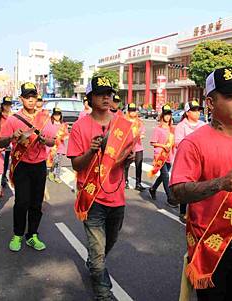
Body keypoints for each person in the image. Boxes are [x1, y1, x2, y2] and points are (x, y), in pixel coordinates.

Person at [170, 67, 232, 300]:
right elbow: (176, 192)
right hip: (209, 241)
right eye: (230, 96)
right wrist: (221, 183)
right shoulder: (194, 143)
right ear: (211, 103)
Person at [67, 76, 134, 301]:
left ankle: (96, 264)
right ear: (90, 98)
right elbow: (76, 164)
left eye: (109, 93)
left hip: (117, 197)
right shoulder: (80, 126)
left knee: (109, 242)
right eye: (100, 93)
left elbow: (126, 158)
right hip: (92, 197)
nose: (106, 97)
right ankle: (103, 292)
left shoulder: (122, 124)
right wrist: (91, 151)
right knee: (97, 254)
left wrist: (127, 159)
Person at [0, 82, 55, 252]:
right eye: (27, 97)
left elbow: (52, 141)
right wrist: (11, 137)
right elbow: (1, 142)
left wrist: (44, 140)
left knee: (36, 203)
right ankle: (17, 235)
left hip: (39, 165)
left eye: (33, 97)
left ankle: (32, 235)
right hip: (21, 165)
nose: (31, 100)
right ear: (21, 99)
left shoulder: (45, 118)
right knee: (22, 202)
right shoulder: (13, 120)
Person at [174, 100, 206, 222]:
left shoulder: (203, 125)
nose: (197, 113)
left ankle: (197, 211)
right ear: (187, 112)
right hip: (186, 161)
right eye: (194, 110)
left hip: (201, 161)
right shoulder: (181, 126)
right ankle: (183, 211)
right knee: (186, 186)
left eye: (198, 110)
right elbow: (178, 143)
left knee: (199, 186)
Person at [148, 104, 175, 207]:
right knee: (166, 176)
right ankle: (170, 198)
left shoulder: (172, 129)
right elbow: (152, 142)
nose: (167, 116)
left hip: (169, 155)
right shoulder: (158, 129)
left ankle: (153, 188)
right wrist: (163, 146)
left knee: (164, 175)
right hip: (160, 155)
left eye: (169, 114)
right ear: (162, 115)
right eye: (166, 114)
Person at [124, 102, 146, 191]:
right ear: (128, 112)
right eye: (131, 111)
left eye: (134, 111)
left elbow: (143, 132)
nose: (133, 113)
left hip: (138, 147)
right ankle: (125, 181)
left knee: (139, 165)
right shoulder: (125, 121)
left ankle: (138, 183)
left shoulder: (139, 122)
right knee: (126, 165)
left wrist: (141, 135)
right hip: (128, 147)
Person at [47, 107, 69, 183]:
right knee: (53, 161)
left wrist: (64, 137)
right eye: (55, 115)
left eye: (58, 115)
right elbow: (46, 133)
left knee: (58, 162)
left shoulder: (63, 124)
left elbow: (66, 134)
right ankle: (51, 171)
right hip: (52, 146)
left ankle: (57, 176)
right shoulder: (49, 123)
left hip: (60, 146)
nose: (57, 116)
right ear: (53, 115)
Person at [0, 96, 13, 187]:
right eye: (6, 105)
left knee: (6, 161)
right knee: (0, 160)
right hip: (0, 142)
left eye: (9, 105)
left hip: (9, 142)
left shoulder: (12, 116)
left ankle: (3, 176)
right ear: (2, 105)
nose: (7, 107)